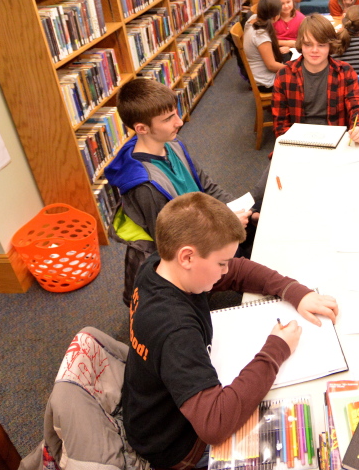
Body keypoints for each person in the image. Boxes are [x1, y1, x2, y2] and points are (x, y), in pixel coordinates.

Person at [122, 191, 338, 469]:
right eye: (220, 263)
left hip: (155, 409)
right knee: (304, 442)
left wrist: (293, 291)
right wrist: (275, 349)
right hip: (178, 446)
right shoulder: (175, 331)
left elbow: (238, 270)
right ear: (187, 257)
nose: (226, 271)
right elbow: (215, 424)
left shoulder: (158, 265)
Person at [105, 79, 255, 305]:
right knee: (249, 263)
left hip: (201, 224)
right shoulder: (145, 186)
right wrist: (227, 224)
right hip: (184, 251)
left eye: (176, 113)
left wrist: (243, 211)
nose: (180, 121)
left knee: (256, 227)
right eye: (168, 119)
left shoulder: (173, 145)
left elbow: (207, 187)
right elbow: (171, 245)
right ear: (142, 129)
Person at [272, 14, 359, 144]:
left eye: (321, 45)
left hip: (336, 140)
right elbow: (280, 124)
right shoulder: (284, 75)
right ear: (300, 44)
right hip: (298, 141)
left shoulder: (345, 71)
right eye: (308, 44)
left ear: (330, 46)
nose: (314, 50)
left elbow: (356, 104)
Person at [243, 0, 288, 91]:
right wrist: (294, 69)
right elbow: (271, 66)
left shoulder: (252, 18)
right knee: (303, 77)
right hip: (266, 82)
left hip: (258, 75)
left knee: (289, 57)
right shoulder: (261, 34)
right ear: (275, 17)